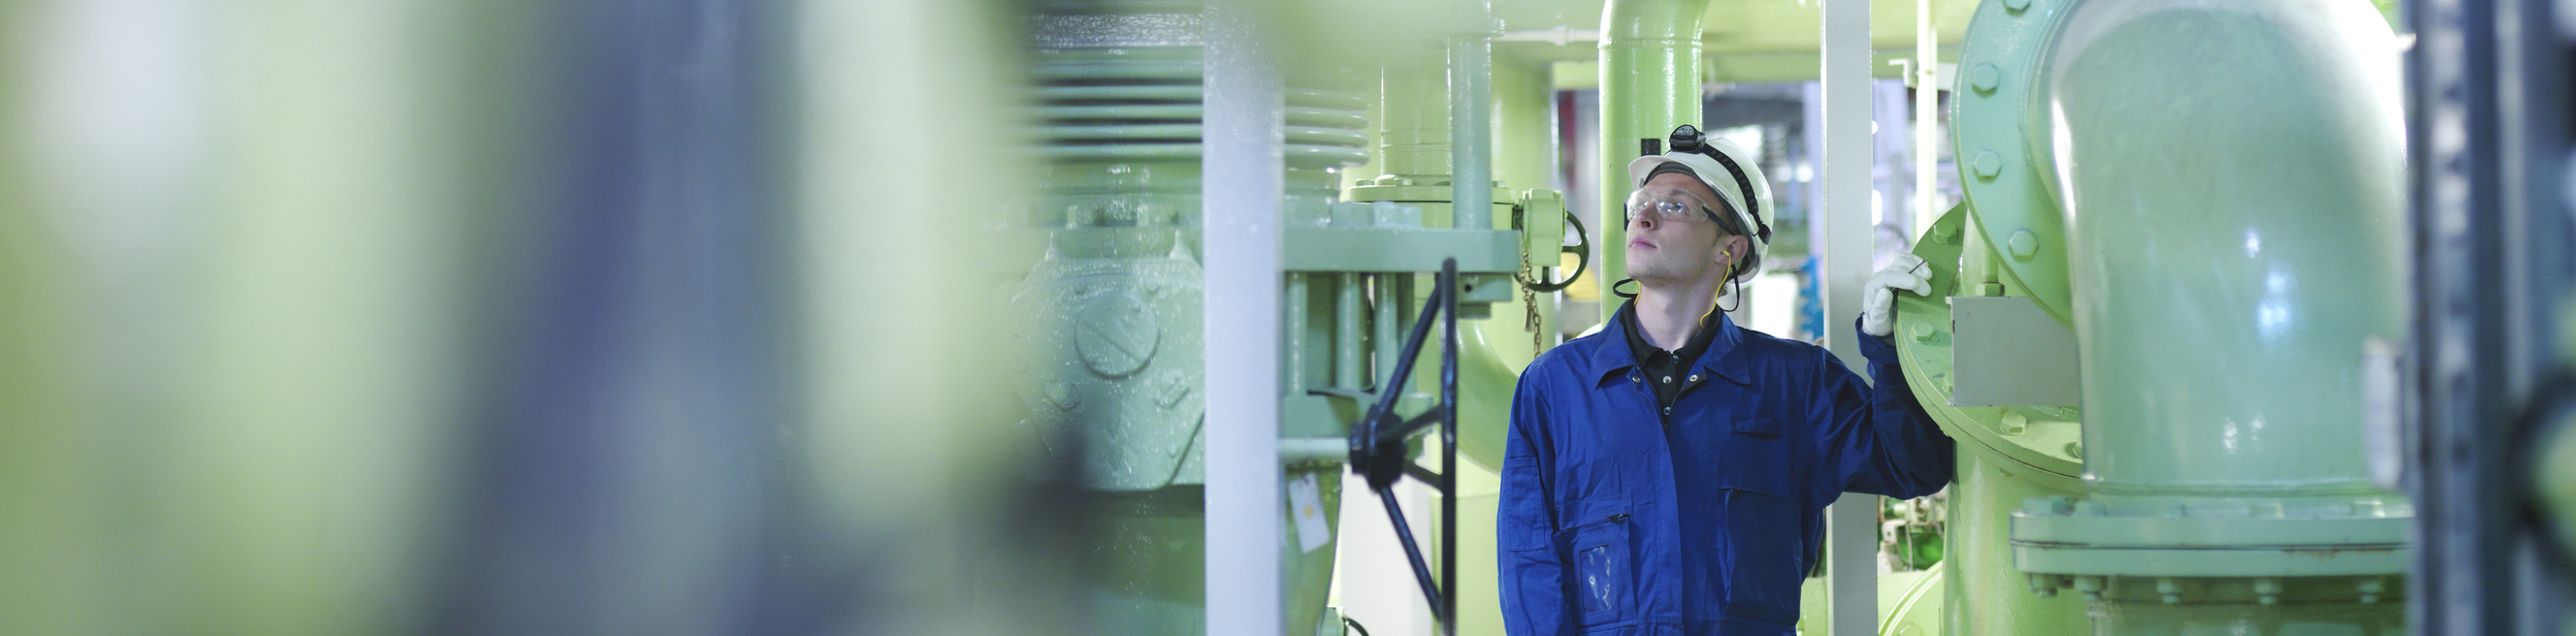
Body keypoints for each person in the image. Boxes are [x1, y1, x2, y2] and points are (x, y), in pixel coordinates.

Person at [1497, 125, 1954, 636]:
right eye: (1639, 203)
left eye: (1674, 207)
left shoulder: (1795, 383)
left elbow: (1913, 467)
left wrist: (1888, 347)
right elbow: (1528, 559)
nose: (1642, 217)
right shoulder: (1555, 388)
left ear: (1730, 249)